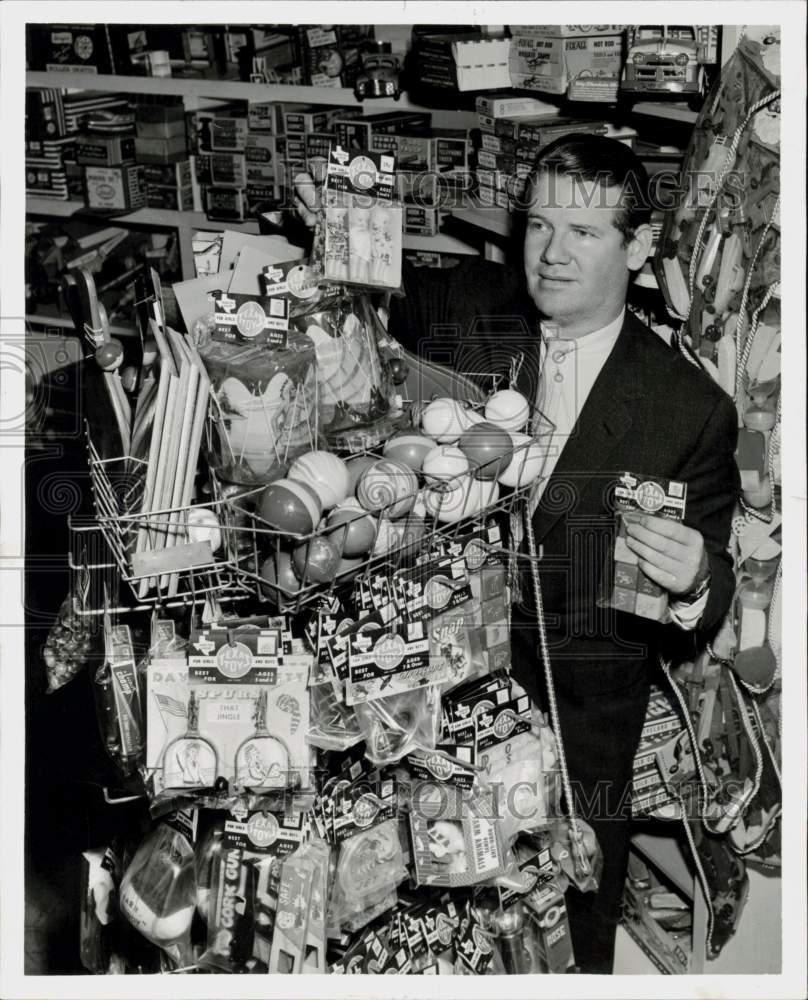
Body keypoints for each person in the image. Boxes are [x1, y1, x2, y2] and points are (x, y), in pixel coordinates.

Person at [294, 136, 739, 972]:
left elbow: (708, 598)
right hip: (427, 702)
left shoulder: (689, 410)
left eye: (583, 233)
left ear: (639, 250)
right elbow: (374, 297)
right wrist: (339, 236)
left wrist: (694, 581)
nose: (551, 253)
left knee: (561, 946)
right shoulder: (476, 304)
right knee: (425, 930)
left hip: (574, 736)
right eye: (539, 226)